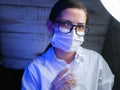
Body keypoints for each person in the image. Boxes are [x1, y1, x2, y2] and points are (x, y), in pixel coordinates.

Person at [21, 0, 114, 90]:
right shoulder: (34, 69)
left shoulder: (96, 61)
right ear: (50, 26)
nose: (73, 33)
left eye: (80, 26)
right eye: (65, 23)